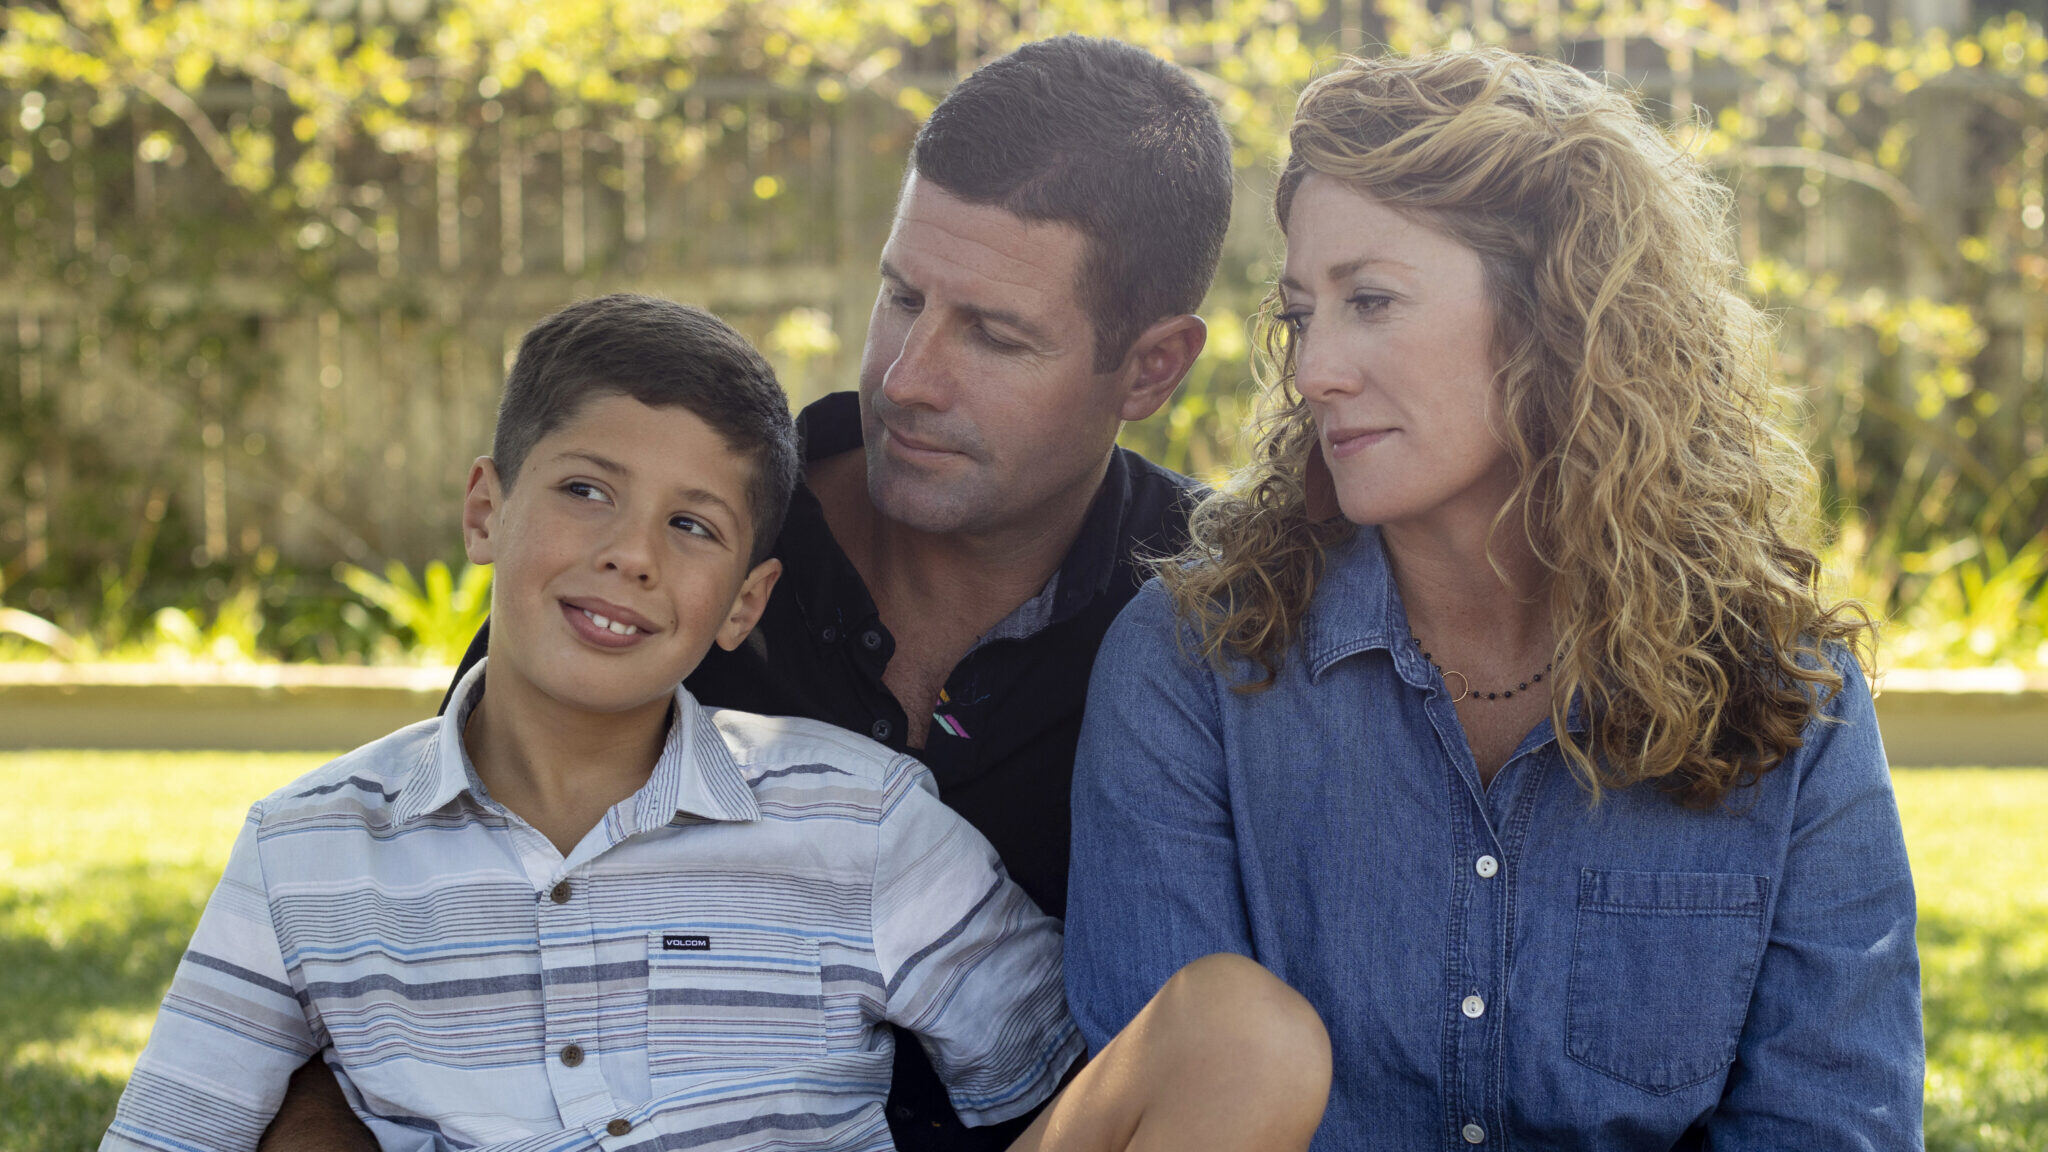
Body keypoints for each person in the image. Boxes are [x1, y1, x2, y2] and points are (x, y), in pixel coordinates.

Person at [259, 34, 1239, 1152]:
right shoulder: (660, 553)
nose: (907, 378)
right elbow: (403, 976)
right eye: (900, 295)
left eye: (994, 335)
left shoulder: (1224, 617)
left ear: (1153, 368)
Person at [106, 294, 1330, 1152]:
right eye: (584, 490)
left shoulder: (858, 818)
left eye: (691, 526)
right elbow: (175, 1130)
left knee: (1236, 1032)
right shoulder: (304, 850)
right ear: (485, 508)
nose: (628, 555)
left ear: (745, 601)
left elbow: (1051, 1086)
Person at [1067, 49, 1923, 1149]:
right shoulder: (1193, 664)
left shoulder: (1783, 695)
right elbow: (1178, 1113)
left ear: (1553, 319)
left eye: (1369, 300)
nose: (1313, 368)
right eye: (1299, 315)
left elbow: (1827, 1122)